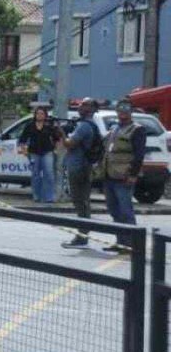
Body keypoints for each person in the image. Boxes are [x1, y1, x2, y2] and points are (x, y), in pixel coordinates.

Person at [102, 100, 147, 253]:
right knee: (114, 211)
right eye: (120, 109)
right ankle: (120, 242)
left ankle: (132, 244)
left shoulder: (137, 129)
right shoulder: (115, 128)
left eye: (125, 109)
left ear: (131, 111)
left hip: (124, 176)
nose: (122, 112)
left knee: (126, 211)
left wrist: (133, 175)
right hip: (109, 175)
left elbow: (139, 154)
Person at [61, 99, 101, 249]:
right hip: (83, 167)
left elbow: (69, 144)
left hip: (79, 168)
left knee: (80, 202)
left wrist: (60, 131)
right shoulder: (89, 124)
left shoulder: (84, 126)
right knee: (83, 202)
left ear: (91, 109)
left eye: (84, 105)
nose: (80, 107)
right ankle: (83, 234)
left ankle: (82, 236)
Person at [17, 105, 62, 204]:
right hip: (33, 152)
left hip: (47, 152)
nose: (39, 115)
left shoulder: (49, 126)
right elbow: (22, 140)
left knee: (49, 174)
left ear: (45, 115)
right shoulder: (30, 125)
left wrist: (56, 150)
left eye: (42, 113)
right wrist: (24, 150)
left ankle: (49, 197)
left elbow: (57, 139)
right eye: (38, 113)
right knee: (36, 175)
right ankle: (36, 195)